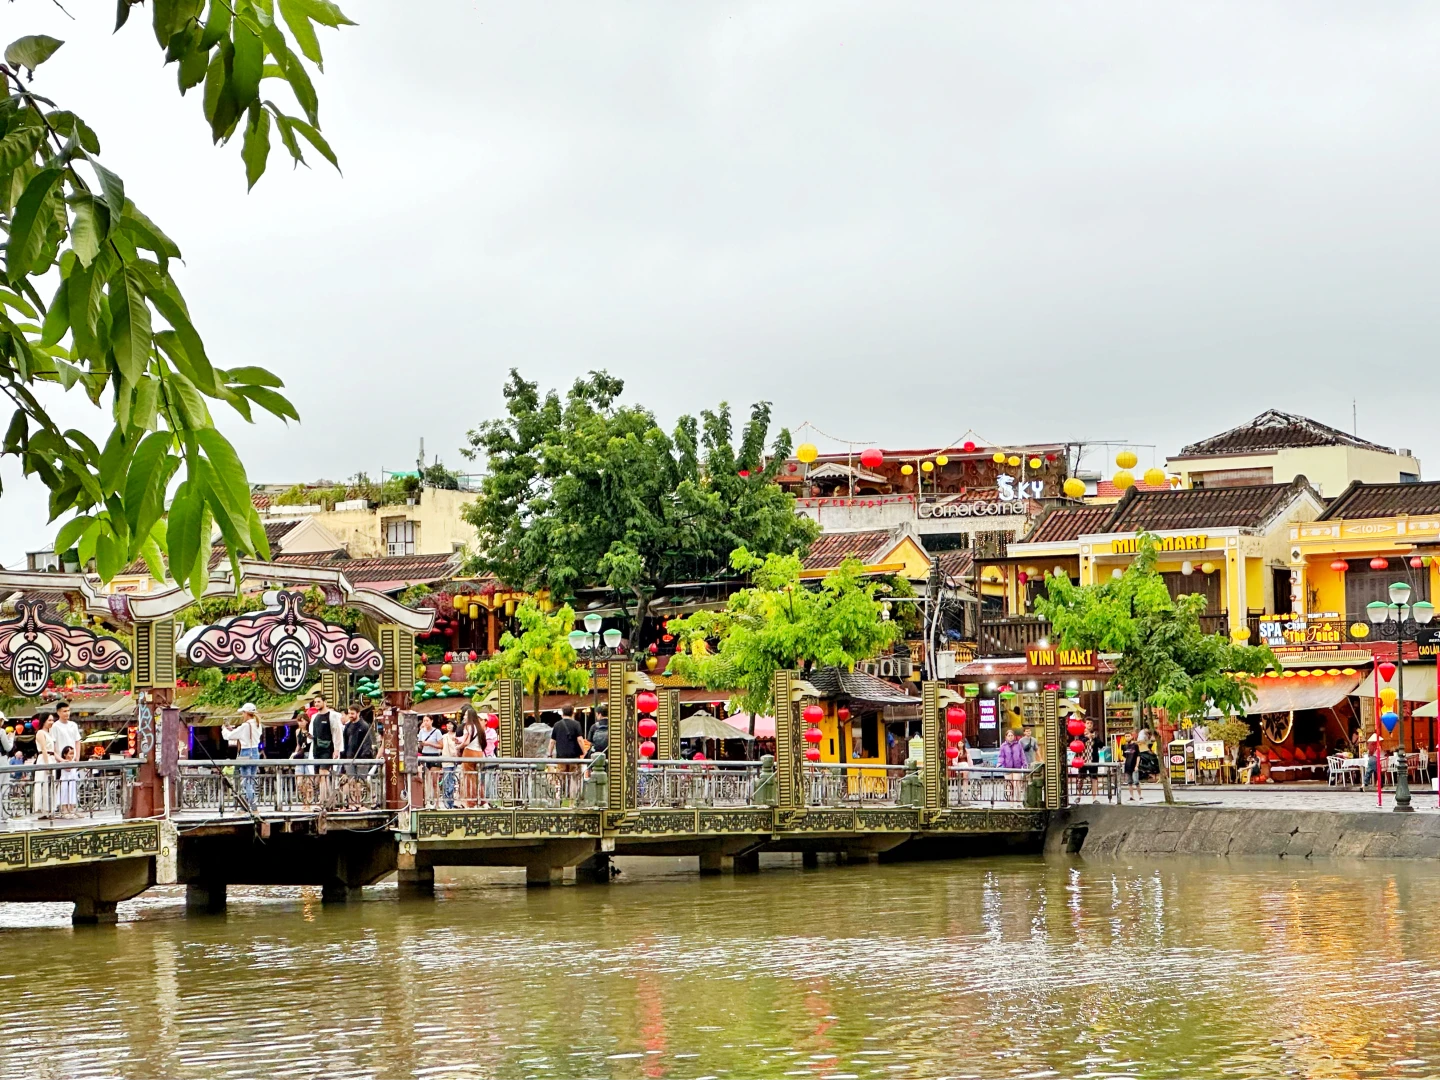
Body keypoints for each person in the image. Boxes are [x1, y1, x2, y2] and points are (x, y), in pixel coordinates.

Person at [221, 703, 263, 809]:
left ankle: (250, 805)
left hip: (246, 752)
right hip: (255, 752)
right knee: (251, 779)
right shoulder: (258, 724)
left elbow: (229, 736)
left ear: (246, 713)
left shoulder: (245, 725)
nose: (242, 715)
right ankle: (251, 803)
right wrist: (233, 730)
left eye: (243, 713)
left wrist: (224, 729)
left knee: (246, 780)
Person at [32, 716, 56, 817]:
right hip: (44, 758)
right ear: (44, 721)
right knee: (43, 782)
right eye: (49, 720)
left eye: (52, 720)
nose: (51, 722)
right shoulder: (40, 733)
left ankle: (50, 808)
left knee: (50, 784)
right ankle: (43, 809)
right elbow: (44, 748)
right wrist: (47, 764)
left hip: (51, 758)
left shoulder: (49, 733)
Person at [56, 745, 80, 818]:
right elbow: (68, 769)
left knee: (72, 794)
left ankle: (71, 809)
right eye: (70, 753)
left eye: (73, 753)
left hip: (72, 781)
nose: (72, 756)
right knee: (65, 795)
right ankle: (64, 810)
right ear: (65, 754)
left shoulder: (73, 761)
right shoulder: (63, 762)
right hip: (65, 781)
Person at [1121, 733, 1142, 801]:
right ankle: (1132, 796)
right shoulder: (1125, 746)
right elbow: (1124, 756)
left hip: (1134, 766)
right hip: (1127, 766)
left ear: (1131, 737)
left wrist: (1136, 765)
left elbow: (1138, 756)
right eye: (1126, 736)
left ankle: (1140, 796)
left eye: (1128, 736)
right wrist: (1124, 763)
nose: (1127, 737)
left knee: (1136, 782)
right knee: (1129, 782)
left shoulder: (1135, 745)